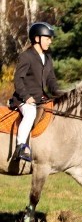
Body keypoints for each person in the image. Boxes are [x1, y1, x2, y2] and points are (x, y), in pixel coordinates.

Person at [9, 22, 62, 164]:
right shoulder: (26, 56)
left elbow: (51, 80)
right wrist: (26, 97)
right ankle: (20, 146)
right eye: (47, 38)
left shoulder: (48, 58)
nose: (50, 41)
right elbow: (18, 80)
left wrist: (60, 93)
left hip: (41, 99)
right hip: (23, 99)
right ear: (37, 38)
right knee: (31, 113)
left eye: (51, 38)